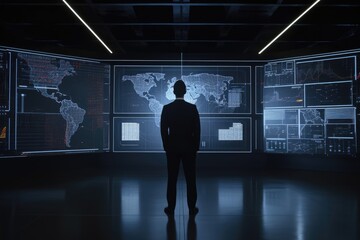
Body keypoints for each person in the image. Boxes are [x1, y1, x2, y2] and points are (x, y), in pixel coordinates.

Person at [160, 80, 200, 216]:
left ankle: (171, 208)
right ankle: (192, 209)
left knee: (172, 179)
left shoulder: (167, 108)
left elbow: (163, 130)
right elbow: (197, 130)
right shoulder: (192, 108)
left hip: (172, 149)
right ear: (185, 91)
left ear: (173, 91)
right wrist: (195, 147)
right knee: (191, 179)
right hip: (189, 148)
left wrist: (166, 146)